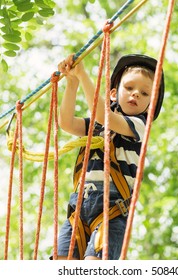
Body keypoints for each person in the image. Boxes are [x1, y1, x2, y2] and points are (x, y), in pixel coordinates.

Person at [56, 53, 165, 260]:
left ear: (150, 105)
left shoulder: (139, 126)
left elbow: (103, 114)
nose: (135, 95)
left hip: (112, 212)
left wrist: (82, 74)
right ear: (114, 94)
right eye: (129, 88)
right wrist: (72, 82)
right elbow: (67, 123)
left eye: (144, 93)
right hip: (78, 209)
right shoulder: (98, 126)